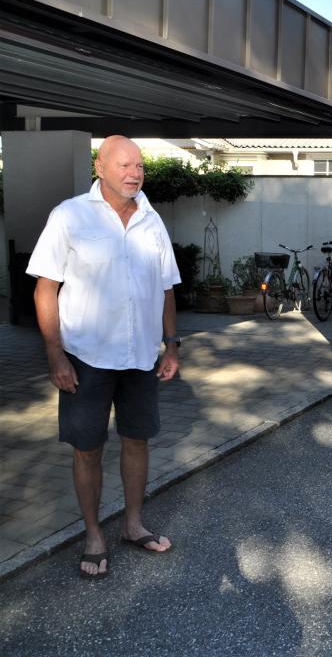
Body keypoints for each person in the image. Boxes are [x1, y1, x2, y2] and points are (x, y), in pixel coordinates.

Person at [27, 136, 180, 580]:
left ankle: (133, 524)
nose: (134, 173)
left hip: (140, 356)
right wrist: (55, 354)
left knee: (137, 440)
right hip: (86, 357)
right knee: (87, 448)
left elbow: (167, 287)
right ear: (100, 166)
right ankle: (94, 534)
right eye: (124, 165)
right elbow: (45, 288)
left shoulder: (152, 219)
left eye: (140, 165)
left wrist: (171, 344)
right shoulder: (70, 215)